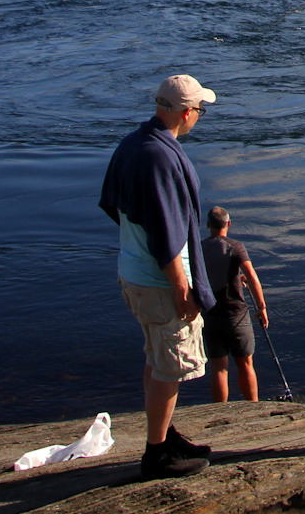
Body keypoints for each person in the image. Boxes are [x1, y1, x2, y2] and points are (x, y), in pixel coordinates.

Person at [98, 74, 219, 480]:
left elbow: (111, 203)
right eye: (200, 110)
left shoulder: (133, 144)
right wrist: (182, 287)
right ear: (187, 113)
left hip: (132, 272)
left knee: (157, 358)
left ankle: (164, 435)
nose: (200, 116)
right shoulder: (162, 157)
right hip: (159, 282)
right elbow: (167, 234)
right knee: (171, 365)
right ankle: (156, 455)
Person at [200, 205, 269, 402]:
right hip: (235, 315)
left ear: (208, 225)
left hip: (211, 315)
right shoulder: (235, 247)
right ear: (229, 223)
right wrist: (262, 307)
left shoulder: (199, 248)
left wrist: (236, 277)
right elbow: (252, 277)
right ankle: (253, 409)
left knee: (219, 369)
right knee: (245, 364)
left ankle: (220, 413)